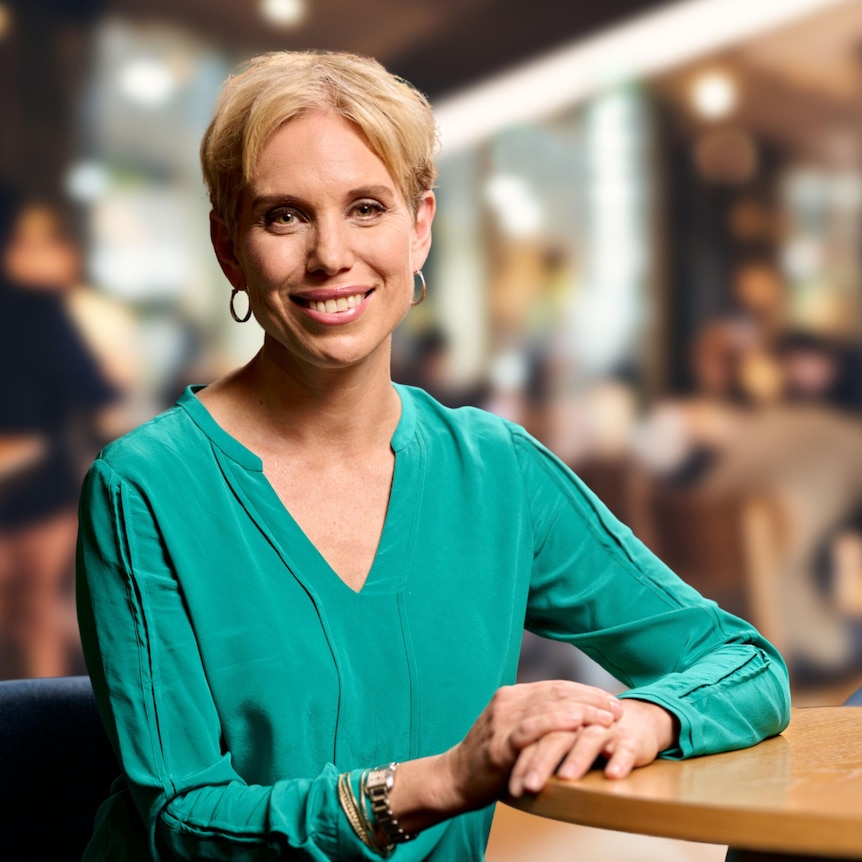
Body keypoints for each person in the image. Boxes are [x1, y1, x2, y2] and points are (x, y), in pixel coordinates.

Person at [76, 51, 791, 862]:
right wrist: (445, 780)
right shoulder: (143, 488)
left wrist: (636, 718)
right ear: (229, 246)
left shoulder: (496, 470)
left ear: (420, 229)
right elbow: (183, 824)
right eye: (284, 216)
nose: (330, 255)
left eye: (367, 208)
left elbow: (742, 664)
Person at [0, 185, 118, 679]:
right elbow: (97, 395)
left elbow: (96, 394)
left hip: (39, 487)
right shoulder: (43, 310)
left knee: (34, 619)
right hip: (41, 486)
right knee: (35, 620)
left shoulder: (43, 309)